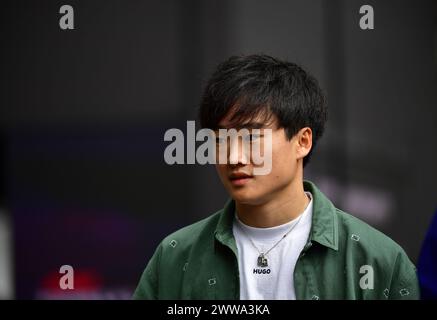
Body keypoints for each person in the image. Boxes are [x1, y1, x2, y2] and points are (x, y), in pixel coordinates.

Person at [133, 54, 419, 299]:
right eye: (219, 140)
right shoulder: (175, 257)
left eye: (251, 137)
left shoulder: (377, 260)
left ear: (302, 141)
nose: (233, 157)